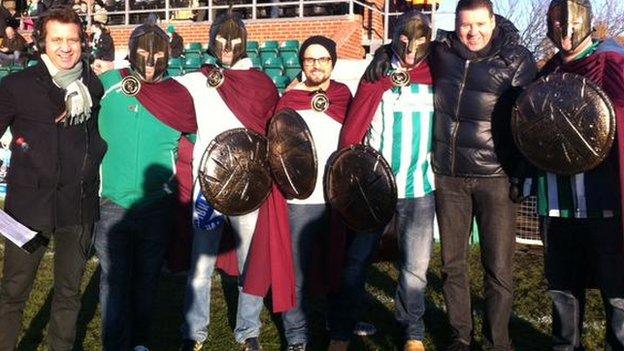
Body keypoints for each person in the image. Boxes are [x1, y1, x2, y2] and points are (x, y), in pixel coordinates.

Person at [365, 0, 536, 349]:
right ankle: (460, 335)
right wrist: (383, 52)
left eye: (479, 24)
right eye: (465, 25)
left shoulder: (516, 59)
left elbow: (527, 121)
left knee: (498, 268)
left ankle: (495, 341)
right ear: (455, 24)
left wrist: (520, 171)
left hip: (496, 177)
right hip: (449, 176)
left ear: (493, 21)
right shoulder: (443, 52)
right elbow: (410, 45)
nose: (472, 32)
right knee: (453, 265)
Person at [327, 11, 434, 351]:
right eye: (404, 40)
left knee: (415, 267)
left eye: (419, 41)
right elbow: (356, 126)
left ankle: (412, 332)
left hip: (420, 187)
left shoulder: (437, 72)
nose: (411, 48)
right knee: (358, 260)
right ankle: (343, 329)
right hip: (375, 188)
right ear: (395, 37)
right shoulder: (376, 75)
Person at [175, 9, 282, 351]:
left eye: (234, 40)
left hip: (249, 187)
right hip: (209, 186)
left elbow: (277, 127)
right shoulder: (197, 79)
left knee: (251, 260)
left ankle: (248, 329)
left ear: (245, 43)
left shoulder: (261, 83)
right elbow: (157, 92)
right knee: (201, 263)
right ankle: (194, 331)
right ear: (211, 41)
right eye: (220, 39)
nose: (226, 46)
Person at [0, 7, 106, 350]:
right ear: (42, 42)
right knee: (13, 293)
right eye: (57, 39)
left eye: (72, 40)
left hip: (77, 207)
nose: (65, 47)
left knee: (68, 295)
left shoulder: (93, 83)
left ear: (82, 42)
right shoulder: (15, 85)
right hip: (26, 210)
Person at [523, 0, 624, 349]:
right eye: (555, 22)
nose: (564, 32)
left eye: (571, 22)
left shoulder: (611, 65)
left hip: (605, 203)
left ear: (588, 21)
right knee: (562, 292)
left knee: (618, 295)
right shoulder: (546, 74)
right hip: (557, 204)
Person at [93, 15, 197, 351]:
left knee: (147, 279)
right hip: (110, 202)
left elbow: (197, 136)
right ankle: (114, 343)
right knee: (114, 280)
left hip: (156, 204)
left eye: (158, 56)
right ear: (131, 52)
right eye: (144, 54)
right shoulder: (108, 82)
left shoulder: (179, 95)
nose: (150, 63)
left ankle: (140, 341)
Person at [272, 35, 352, 351]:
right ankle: (296, 336)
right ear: (301, 63)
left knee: (338, 266)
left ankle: (338, 326)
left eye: (323, 59)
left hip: (335, 197)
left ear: (332, 62)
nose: (316, 65)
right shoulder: (290, 100)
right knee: (297, 274)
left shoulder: (344, 95)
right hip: (298, 201)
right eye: (309, 59)